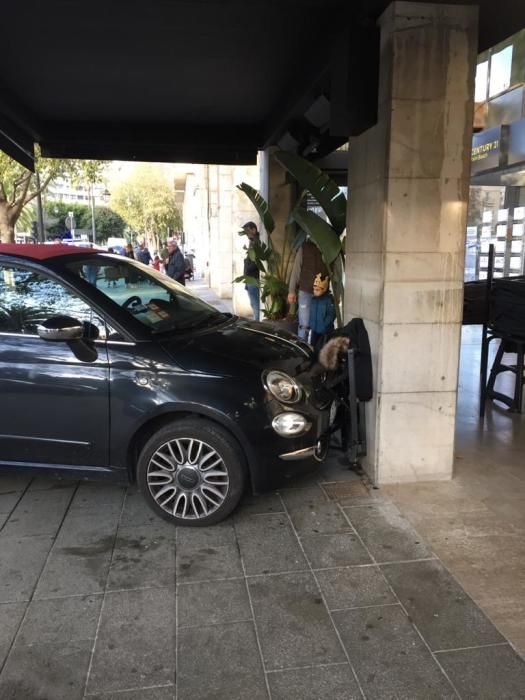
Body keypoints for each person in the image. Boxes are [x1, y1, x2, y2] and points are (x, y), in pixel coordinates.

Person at [287, 240, 329, 340]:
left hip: (323, 294)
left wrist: (339, 294)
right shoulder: (304, 247)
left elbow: (336, 271)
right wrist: (291, 290)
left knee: (320, 326)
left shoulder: (328, 247)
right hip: (305, 292)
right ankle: (302, 351)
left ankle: (317, 351)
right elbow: (296, 271)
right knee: (304, 325)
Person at [308, 273, 336, 345]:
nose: (315, 291)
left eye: (317, 290)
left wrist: (324, 325)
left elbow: (331, 314)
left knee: (323, 349)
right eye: (314, 289)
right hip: (314, 330)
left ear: (324, 289)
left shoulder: (329, 300)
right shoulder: (313, 299)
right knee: (313, 347)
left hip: (325, 332)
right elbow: (311, 313)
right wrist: (310, 323)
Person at [241, 221, 260, 321]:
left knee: (255, 304)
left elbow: (256, 261)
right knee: (253, 304)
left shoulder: (257, 241)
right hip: (250, 278)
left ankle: (257, 323)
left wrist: (247, 267)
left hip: (253, 277)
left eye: (248, 231)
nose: (247, 234)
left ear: (254, 229)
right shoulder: (252, 241)